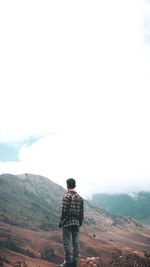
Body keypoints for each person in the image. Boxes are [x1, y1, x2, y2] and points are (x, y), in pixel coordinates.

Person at [59, 178, 84, 267]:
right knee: (76, 242)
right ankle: (74, 261)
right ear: (75, 185)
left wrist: (61, 221)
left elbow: (64, 211)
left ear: (67, 185)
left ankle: (68, 262)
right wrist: (79, 222)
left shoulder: (67, 196)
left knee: (67, 242)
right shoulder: (80, 198)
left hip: (67, 222)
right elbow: (81, 212)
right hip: (76, 222)